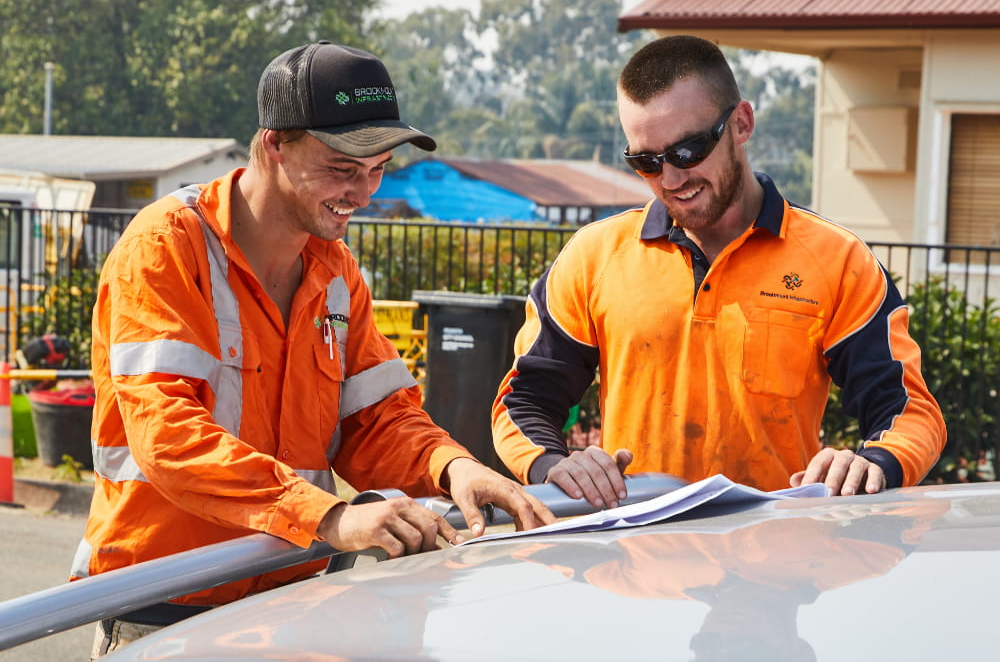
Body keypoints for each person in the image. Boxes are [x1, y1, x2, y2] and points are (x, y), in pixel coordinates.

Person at [75, 41, 555, 657]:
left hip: (295, 605)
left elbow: (376, 420)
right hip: (166, 610)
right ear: (274, 142)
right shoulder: (165, 247)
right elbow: (167, 435)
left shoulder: (336, 273)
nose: (363, 192)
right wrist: (329, 519)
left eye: (378, 168)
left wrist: (452, 467)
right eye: (341, 167)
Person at [491, 35, 946, 509]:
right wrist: (552, 464)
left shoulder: (838, 260)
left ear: (742, 123)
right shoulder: (593, 256)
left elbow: (910, 410)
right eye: (645, 161)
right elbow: (524, 399)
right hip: (634, 561)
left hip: (777, 561)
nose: (670, 179)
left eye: (688, 151)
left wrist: (875, 462)